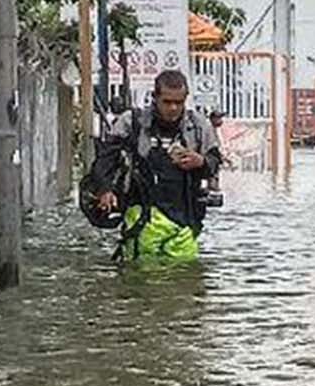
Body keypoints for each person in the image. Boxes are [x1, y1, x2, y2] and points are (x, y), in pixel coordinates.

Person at [87, 69, 222, 269]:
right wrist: (105, 189)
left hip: (184, 220)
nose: (173, 108)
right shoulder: (132, 122)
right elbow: (105, 159)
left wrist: (200, 162)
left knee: (185, 277)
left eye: (179, 102)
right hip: (141, 214)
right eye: (167, 102)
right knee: (141, 276)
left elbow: (215, 162)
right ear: (154, 98)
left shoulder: (199, 126)